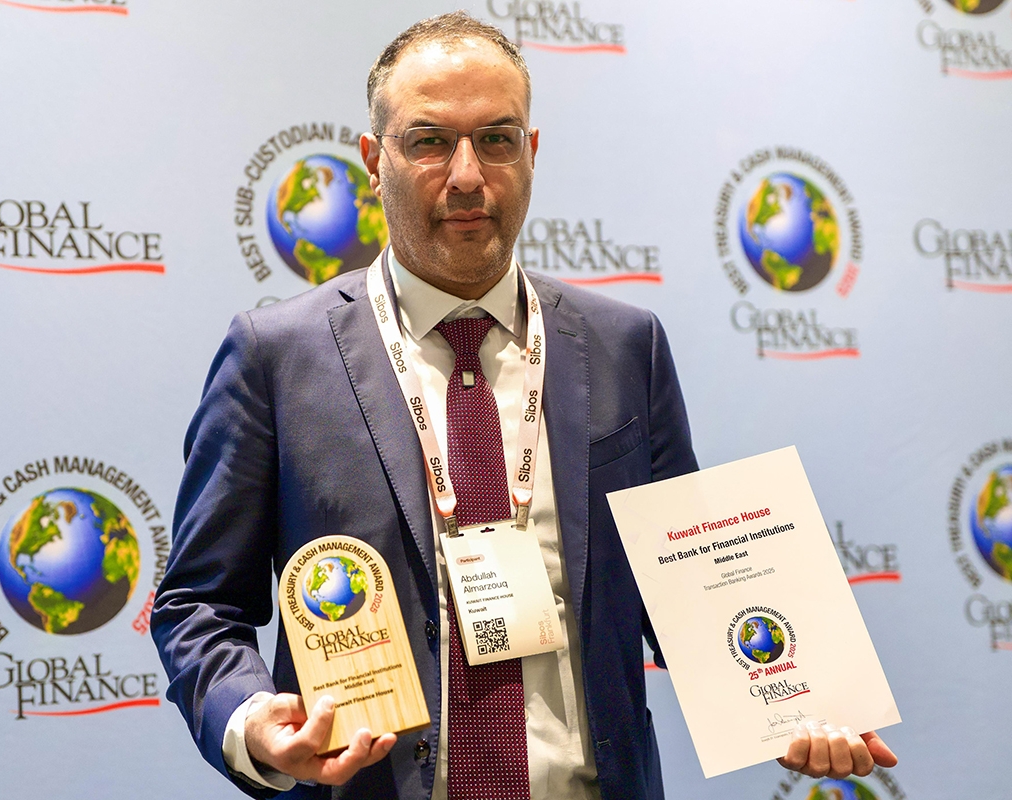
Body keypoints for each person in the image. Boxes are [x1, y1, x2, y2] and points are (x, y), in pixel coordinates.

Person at [151, 12, 896, 800]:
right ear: (373, 161)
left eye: (497, 139)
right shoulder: (276, 357)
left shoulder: (626, 347)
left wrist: (794, 703)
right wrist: (252, 721)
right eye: (429, 141)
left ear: (531, 152)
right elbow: (199, 602)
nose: (468, 175)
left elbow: (686, 587)